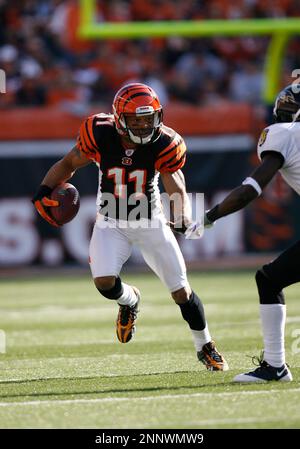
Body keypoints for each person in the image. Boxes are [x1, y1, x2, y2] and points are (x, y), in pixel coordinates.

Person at [32, 82, 228, 371]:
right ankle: (130, 300)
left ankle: (205, 346)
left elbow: (175, 181)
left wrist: (182, 213)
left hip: (150, 221)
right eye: (136, 120)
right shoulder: (100, 134)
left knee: (181, 292)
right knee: (104, 282)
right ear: (120, 120)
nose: (144, 125)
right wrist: (43, 190)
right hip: (111, 221)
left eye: (149, 119)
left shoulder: (164, 143)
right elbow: (69, 162)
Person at [204, 83, 300, 382]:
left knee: (269, 279)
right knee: (270, 278)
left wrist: (209, 216)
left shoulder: (283, 134)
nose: (280, 117)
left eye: (286, 111)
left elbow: (250, 191)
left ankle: (275, 366)